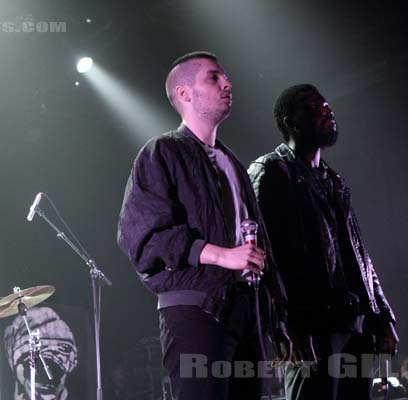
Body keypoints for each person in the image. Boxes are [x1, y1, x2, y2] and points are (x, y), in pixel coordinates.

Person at [117, 51, 289, 400]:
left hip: (248, 311)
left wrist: (276, 316)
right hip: (197, 310)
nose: (227, 83)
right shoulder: (161, 152)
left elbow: (258, 244)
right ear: (184, 93)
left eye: (225, 77)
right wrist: (222, 256)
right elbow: (143, 236)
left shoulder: (233, 163)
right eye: (214, 77)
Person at [248, 84, 398, 400]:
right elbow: (262, 256)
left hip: (352, 323)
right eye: (315, 108)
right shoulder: (271, 171)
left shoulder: (334, 181)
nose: (326, 112)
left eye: (327, 106)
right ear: (291, 120)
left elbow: (358, 254)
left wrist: (382, 315)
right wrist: (283, 325)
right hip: (308, 326)